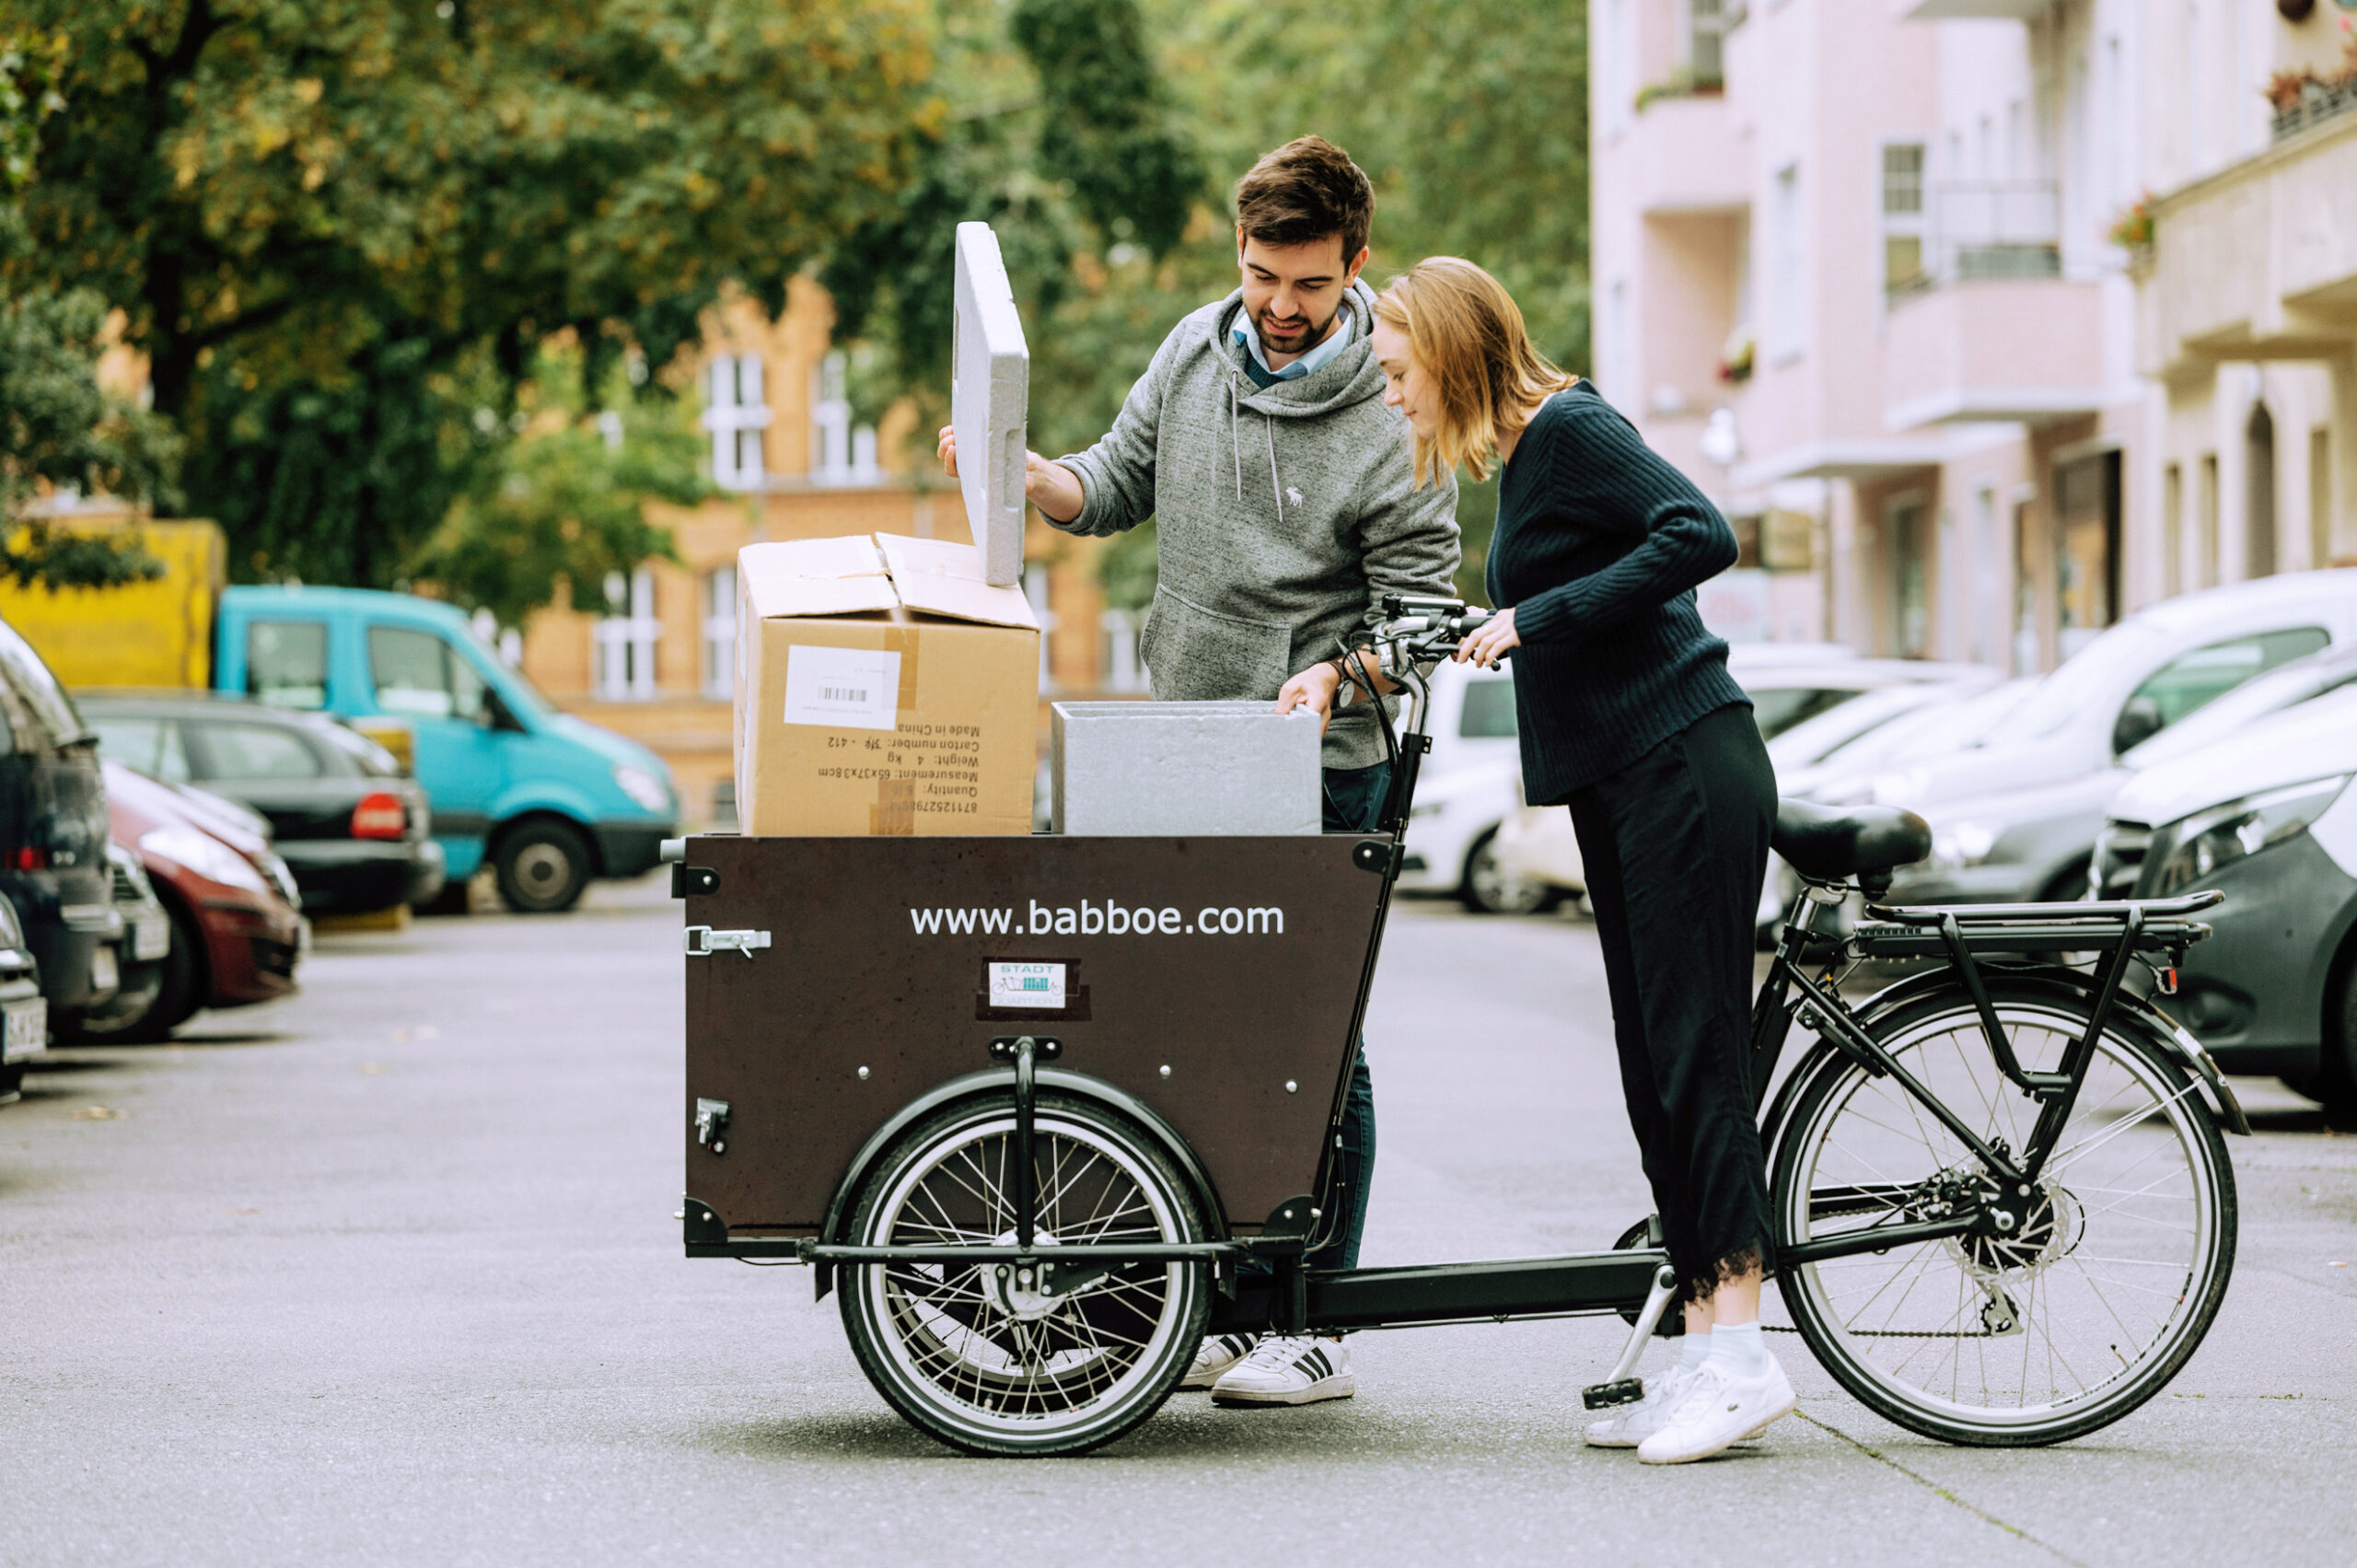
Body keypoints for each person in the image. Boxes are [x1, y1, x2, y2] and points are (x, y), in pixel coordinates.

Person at [939, 137, 1460, 1407]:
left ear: (1356, 268)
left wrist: (1341, 675)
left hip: (1321, 765)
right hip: (1190, 743)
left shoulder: (1393, 404)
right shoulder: (1193, 346)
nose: (1280, 308)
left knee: (1316, 1036)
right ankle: (1227, 1304)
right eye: (1261, 274)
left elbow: (1429, 617)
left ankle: (1314, 1320)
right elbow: (1111, 485)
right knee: (1197, 1028)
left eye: (1309, 286)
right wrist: (1020, 475)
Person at [1370, 258, 1787, 1465]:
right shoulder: (1527, 466)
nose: (1392, 397)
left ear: (1448, 353)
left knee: (1697, 1052)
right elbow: (1546, 604)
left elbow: (1700, 532)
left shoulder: (1574, 425)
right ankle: (1708, 1350)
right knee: (1652, 1065)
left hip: (1682, 763)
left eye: (1398, 372)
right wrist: (1421, 648)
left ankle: (1748, 1355)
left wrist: (1538, 618)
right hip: (1626, 778)